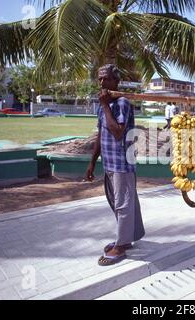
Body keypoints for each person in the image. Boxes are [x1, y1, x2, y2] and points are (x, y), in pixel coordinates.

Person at [85, 64, 145, 266]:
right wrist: (92, 163)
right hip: (108, 164)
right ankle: (126, 239)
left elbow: (117, 131)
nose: (102, 83)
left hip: (122, 164)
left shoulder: (122, 103)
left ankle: (121, 246)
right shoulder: (105, 104)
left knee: (124, 204)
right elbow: (100, 135)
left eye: (106, 79)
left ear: (115, 81)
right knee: (117, 203)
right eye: (100, 79)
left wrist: (104, 106)